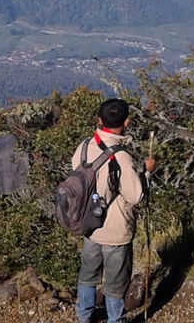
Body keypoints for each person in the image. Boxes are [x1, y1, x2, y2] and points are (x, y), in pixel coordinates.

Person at [72, 98, 156, 323]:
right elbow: (136, 195)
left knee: (88, 276)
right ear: (126, 122)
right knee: (115, 282)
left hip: (89, 224)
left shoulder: (84, 147)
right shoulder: (120, 156)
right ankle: (115, 320)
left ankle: (84, 316)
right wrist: (147, 173)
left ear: (99, 120)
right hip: (116, 230)